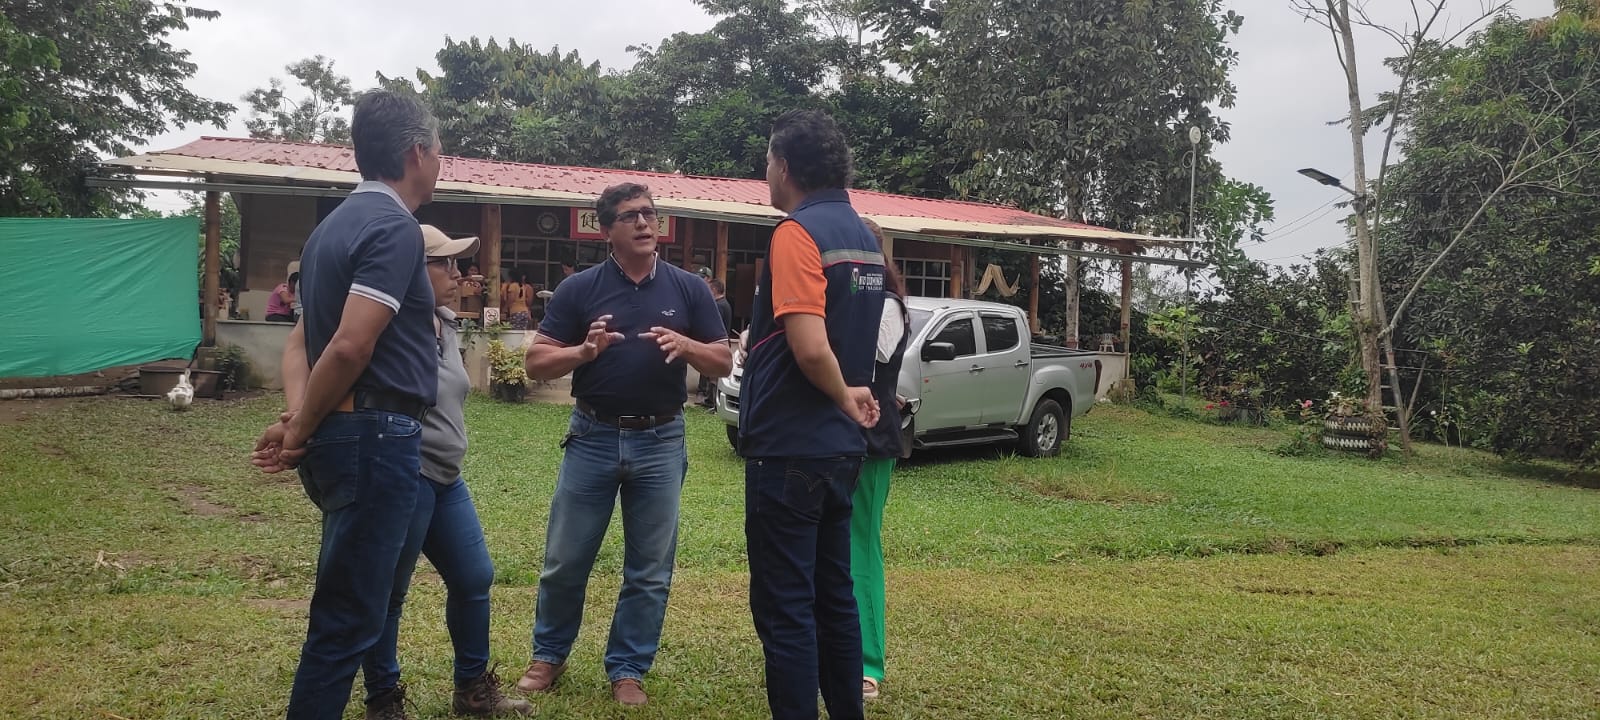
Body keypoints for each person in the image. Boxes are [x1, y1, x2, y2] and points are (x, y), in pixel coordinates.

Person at [276, 226, 530, 718]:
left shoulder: (446, 324)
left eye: (457, 264)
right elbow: (302, 347)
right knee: (388, 592)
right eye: (444, 263)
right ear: (412, 269)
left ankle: (472, 690)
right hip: (401, 471)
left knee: (474, 576)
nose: (457, 274)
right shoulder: (382, 319)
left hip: (446, 477)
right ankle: (383, 697)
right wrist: (299, 417)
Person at [250, 89, 444, 720]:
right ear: (415, 154)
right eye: (439, 151)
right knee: (349, 618)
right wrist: (301, 426)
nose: (440, 163)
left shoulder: (327, 231)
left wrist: (301, 421)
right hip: (375, 438)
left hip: (344, 434)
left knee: (345, 604)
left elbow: (301, 345)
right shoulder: (394, 227)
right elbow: (351, 345)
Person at [516, 182, 732, 707]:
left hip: (661, 440)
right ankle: (549, 655)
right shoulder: (580, 289)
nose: (644, 223)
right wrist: (583, 352)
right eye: (631, 216)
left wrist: (687, 345)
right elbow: (536, 363)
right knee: (566, 559)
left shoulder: (688, 289)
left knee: (650, 569)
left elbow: (723, 360)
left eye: (650, 214)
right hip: (592, 436)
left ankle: (628, 668)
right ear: (607, 229)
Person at [739, 109, 885, 720]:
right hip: (840, 451)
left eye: (767, 162)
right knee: (835, 597)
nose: (766, 174)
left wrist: (842, 394)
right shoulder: (864, 236)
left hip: (789, 448)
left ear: (785, 166)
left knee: (786, 608)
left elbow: (809, 346)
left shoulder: (796, 234)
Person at [851, 218, 911, 702]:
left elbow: (868, 360)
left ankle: (868, 663)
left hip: (871, 440)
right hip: (829, 438)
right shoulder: (846, 300)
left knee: (861, 547)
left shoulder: (887, 305)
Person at [696, 277, 735, 408]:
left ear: (713, 290)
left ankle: (710, 399)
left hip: (714, 343)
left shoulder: (718, 306)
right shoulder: (726, 304)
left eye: (709, 289)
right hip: (723, 342)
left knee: (710, 372)